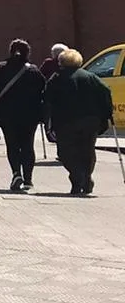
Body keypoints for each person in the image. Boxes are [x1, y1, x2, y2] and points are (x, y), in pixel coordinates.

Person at [42, 48, 115, 196]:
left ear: (61, 62)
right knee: (87, 151)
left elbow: (47, 98)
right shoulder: (91, 77)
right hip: (91, 121)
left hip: (66, 121)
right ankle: (84, 180)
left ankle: (79, 178)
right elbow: (106, 91)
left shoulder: (57, 78)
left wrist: (45, 117)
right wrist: (107, 114)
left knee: (65, 152)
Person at [0, 39, 46, 193]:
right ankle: (28, 179)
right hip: (29, 115)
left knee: (12, 144)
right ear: (28, 52)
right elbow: (43, 89)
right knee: (28, 145)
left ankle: (16, 173)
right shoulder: (34, 70)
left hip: (7, 114)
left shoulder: (0, 68)